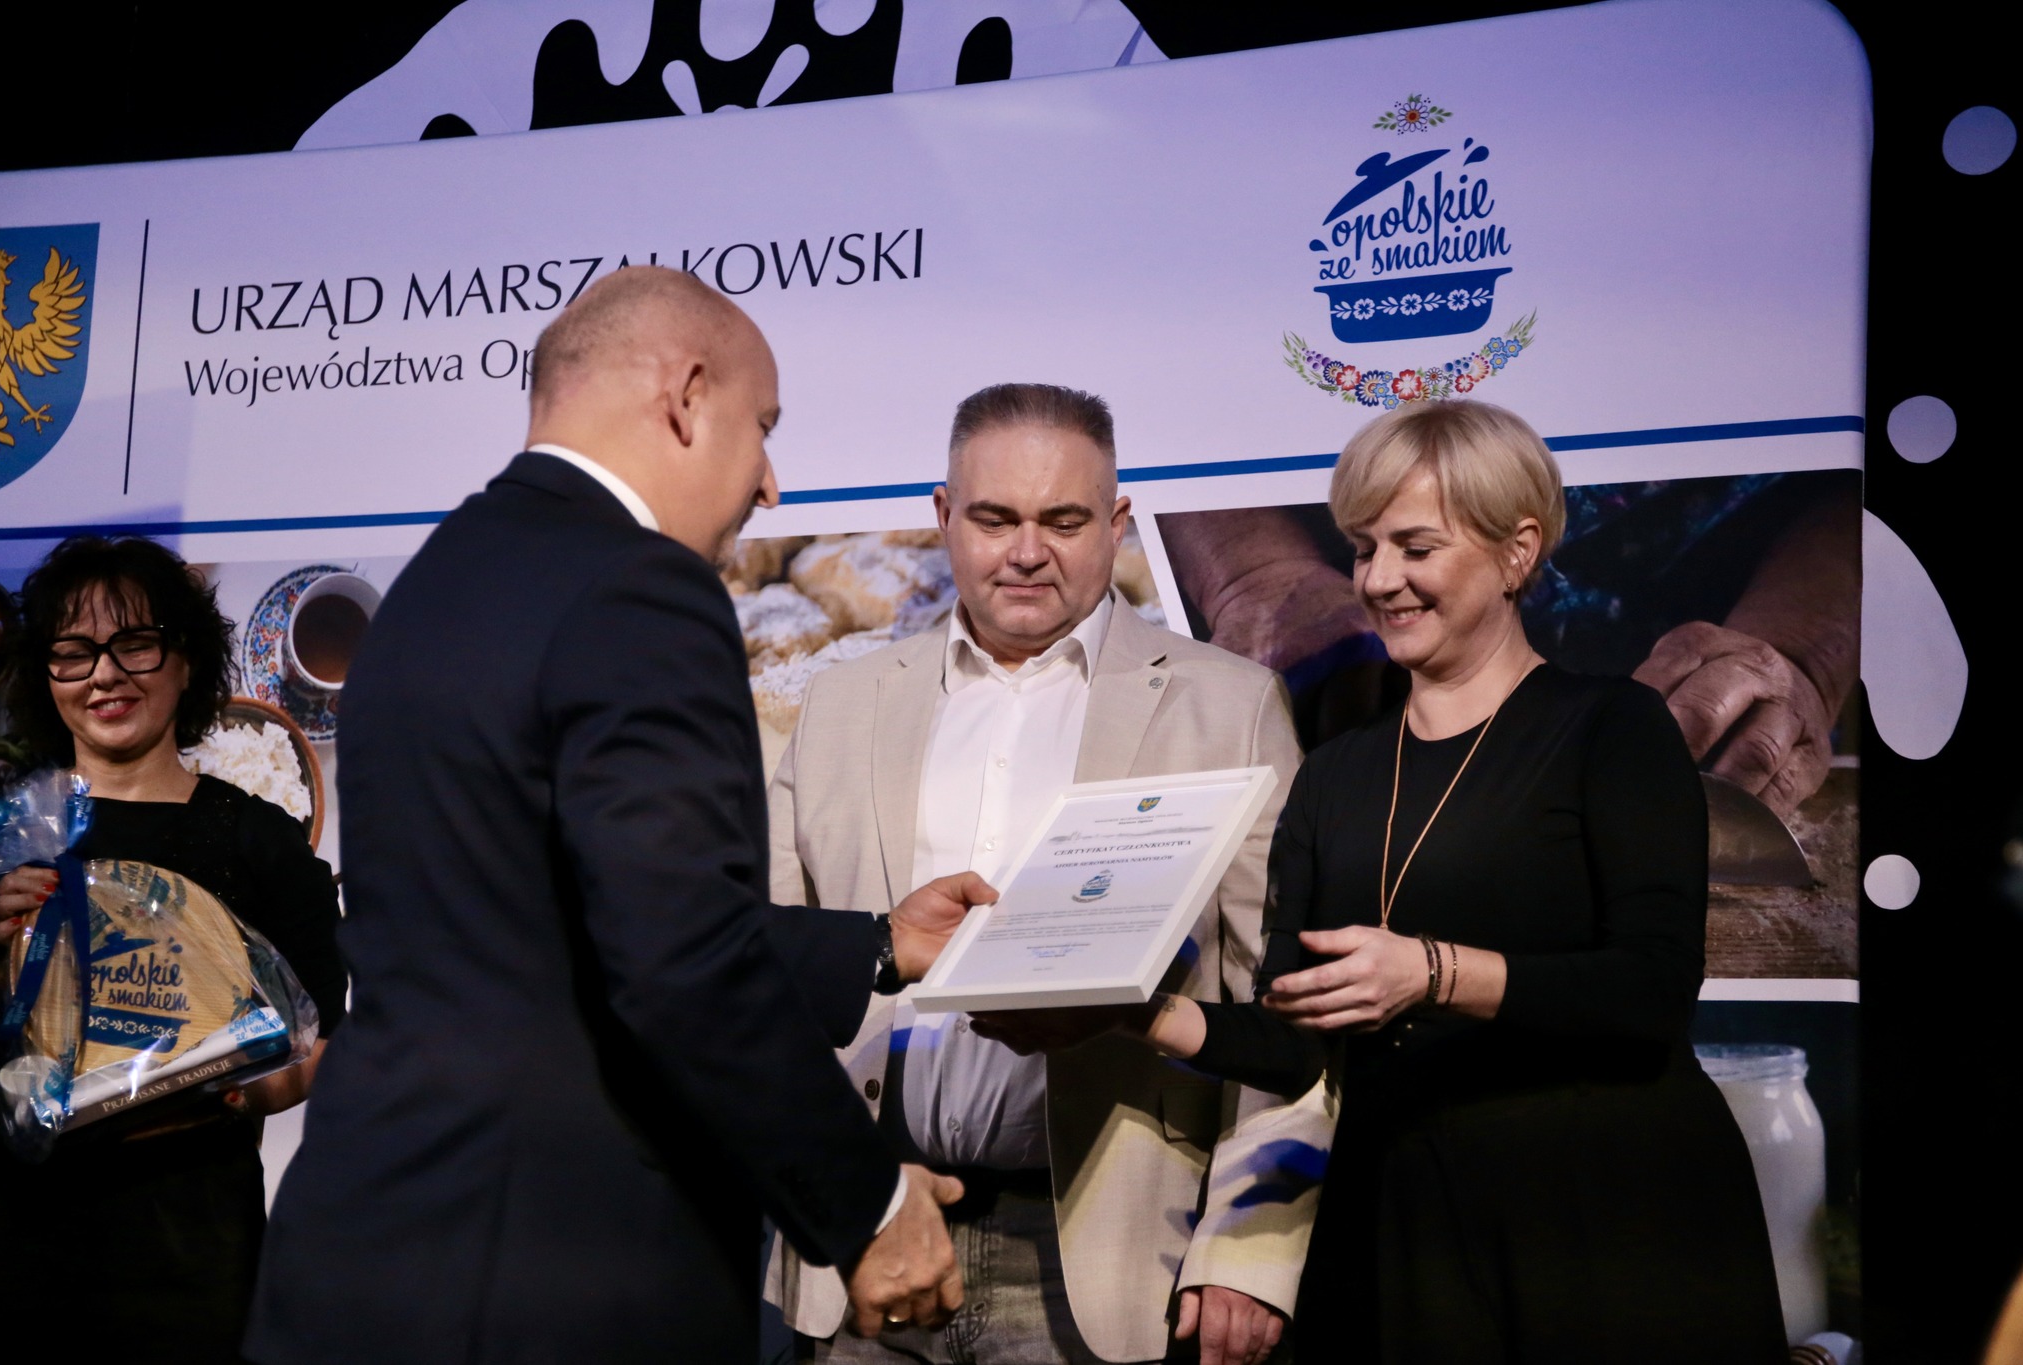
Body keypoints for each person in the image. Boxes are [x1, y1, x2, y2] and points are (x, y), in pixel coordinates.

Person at [247, 267, 995, 1365]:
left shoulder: (435, 584)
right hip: (549, 1282)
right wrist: (870, 1207)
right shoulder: (641, 589)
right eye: (763, 427)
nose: (769, 483)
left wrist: (873, 946)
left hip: (364, 1258)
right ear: (686, 397)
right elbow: (679, 956)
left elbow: (543, 923)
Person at [1128, 401, 1786, 1363]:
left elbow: (1649, 992)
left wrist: (1432, 971)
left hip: (1604, 1218)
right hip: (1405, 1224)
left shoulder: (1612, 728)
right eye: (1364, 547)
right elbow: (1292, 1037)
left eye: (1416, 547)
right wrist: (1130, 1011)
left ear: (1518, 551)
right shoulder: (1334, 773)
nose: (1378, 579)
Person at [764, 383, 1330, 1365]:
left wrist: (1250, 1245)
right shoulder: (839, 704)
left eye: (1063, 521)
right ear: (944, 516)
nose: (1027, 551)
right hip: (870, 1236)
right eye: (995, 519)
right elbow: (767, 970)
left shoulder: (1227, 706)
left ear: (1116, 522)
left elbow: (1283, 1000)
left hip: (1106, 1262)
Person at [0, 535, 347, 1364]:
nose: (104, 675)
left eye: (134, 643)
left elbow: (320, 1036)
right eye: (74, 652)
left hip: (189, 1238)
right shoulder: (5, 833)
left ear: (186, 659)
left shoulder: (257, 841)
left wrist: (237, 1087)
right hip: (21, 1234)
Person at [1158, 469, 1860, 819]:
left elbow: (1849, 473)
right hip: (1336, 630)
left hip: (1734, 588)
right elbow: (1165, 357)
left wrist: (1801, 652)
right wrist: (1256, 573)